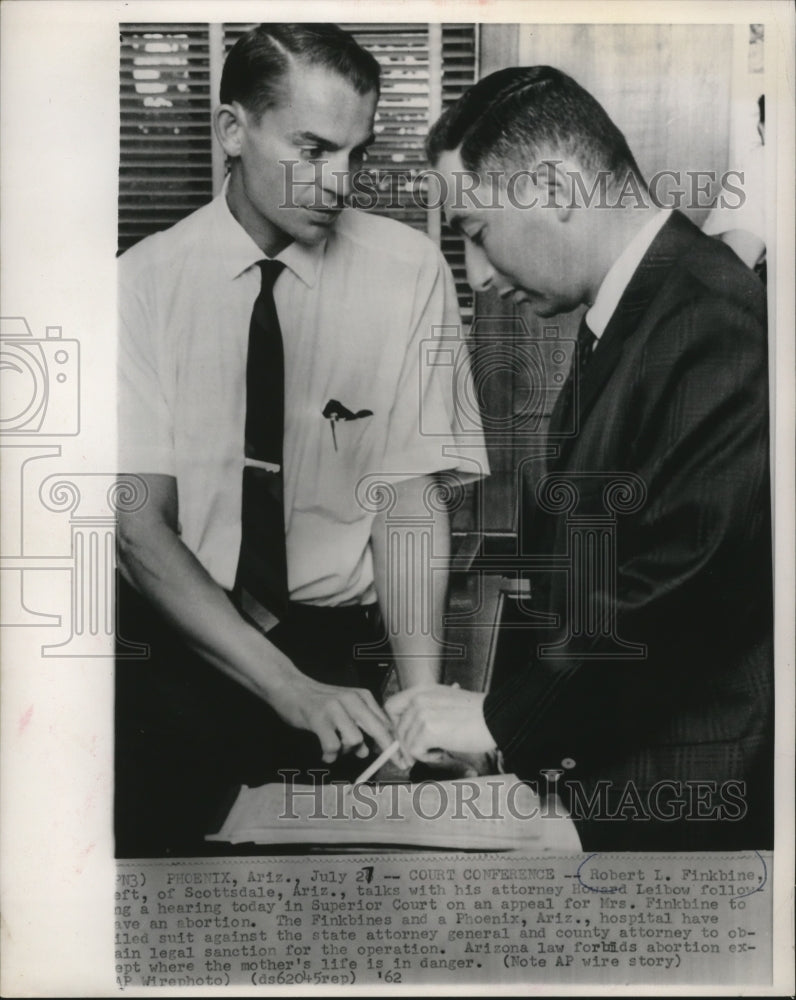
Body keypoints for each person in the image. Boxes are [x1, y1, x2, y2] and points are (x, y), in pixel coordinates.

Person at [115, 23, 487, 855]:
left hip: (339, 659)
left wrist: (419, 708)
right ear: (232, 130)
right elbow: (138, 531)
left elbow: (408, 498)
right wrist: (287, 689)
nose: (339, 182)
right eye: (313, 149)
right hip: (174, 653)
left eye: (356, 154)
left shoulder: (410, 272)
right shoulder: (136, 287)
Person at [386, 66, 773, 850]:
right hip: (620, 779)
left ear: (556, 188)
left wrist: (500, 719)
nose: (479, 276)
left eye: (476, 232)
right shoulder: (643, 310)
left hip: (688, 802)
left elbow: (681, 580)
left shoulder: (713, 317)